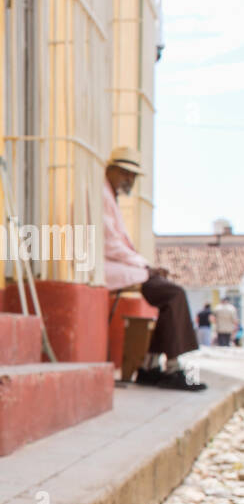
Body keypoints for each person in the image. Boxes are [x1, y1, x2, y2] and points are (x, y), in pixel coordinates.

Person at [103, 146, 205, 391]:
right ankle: (171, 368)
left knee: (170, 297)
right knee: (173, 294)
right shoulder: (101, 195)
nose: (130, 180)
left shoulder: (110, 196)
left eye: (133, 176)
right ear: (112, 170)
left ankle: (150, 367)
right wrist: (145, 266)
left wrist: (147, 267)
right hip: (109, 265)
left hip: (124, 265)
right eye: (125, 174)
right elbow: (108, 243)